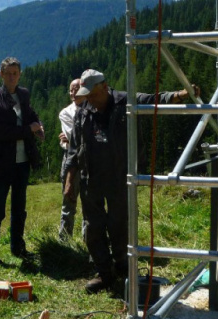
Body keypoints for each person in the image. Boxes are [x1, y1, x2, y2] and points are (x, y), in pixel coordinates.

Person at [62, 69, 199, 293]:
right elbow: (74, 150)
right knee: (93, 228)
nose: (90, 100)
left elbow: (153, 100)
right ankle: (103, 273)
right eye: (86, 95)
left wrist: (181, 94)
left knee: (120, 224)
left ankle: (123, 268)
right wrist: (69, 181)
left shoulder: (125, 102)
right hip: (91, 178)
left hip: (120, 177)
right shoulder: (83, 111)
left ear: (105, 87)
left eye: (93, 94)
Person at [0, 57, 45, 264]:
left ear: (20, 74)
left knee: (19, 208)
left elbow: (31, 114)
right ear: (1, 74)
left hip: (22, 161)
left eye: (15, 73)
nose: (12, 77)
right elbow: (0, 132)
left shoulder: (23, 94)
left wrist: (38, 125)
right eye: (8, 73)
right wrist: (28, 130)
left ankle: (18, 248)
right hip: (0, 163)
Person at [58, 78, 86, 240]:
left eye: (76, 89)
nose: (72, 93)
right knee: (68, 200)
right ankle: (65, 240)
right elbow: (77, 138)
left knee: (89, 202)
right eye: (70, 90)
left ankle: (88, 239)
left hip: (89, 160)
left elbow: (74, 137)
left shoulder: (93, 108)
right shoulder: (66, 113)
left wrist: (71, 138)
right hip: (71, 159)